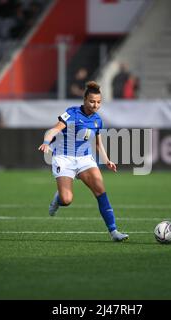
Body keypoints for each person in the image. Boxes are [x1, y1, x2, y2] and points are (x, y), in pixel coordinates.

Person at [38, 81, 128, 242]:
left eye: (99, 102)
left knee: (100, 190)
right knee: (67, 200)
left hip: (84, 158)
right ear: (85, 100)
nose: (95, 105)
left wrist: (107, 160)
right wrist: (46, 142)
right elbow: (55, 129)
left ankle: (114, 232)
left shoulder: (97, 120)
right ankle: (57, 199)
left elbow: (98, 142)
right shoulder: (72, 113)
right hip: (64, 158)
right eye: (92, 101)